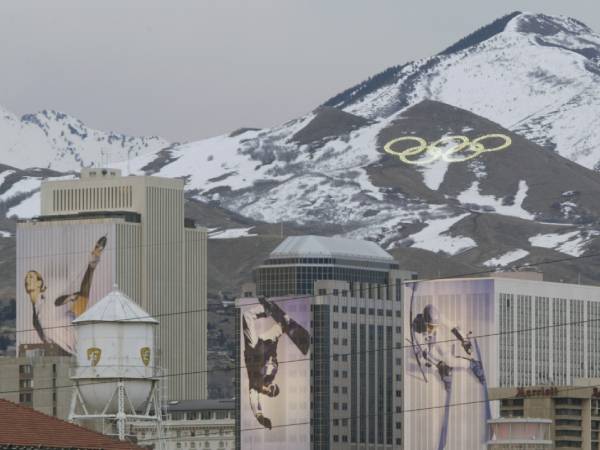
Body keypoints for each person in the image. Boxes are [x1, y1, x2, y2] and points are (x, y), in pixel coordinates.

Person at [242, 301, 289, 430]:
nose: (265, 391)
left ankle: (280, 323)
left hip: (252, 349)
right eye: (268, 390)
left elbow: (254, 404)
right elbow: (273, 357)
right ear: (270, 385)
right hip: (263, 346)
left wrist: (261, 419)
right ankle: (279, 322)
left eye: (267, 394)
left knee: (246, 316)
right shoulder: (271, 373)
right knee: (273, 336)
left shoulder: (255, 388)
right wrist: (275, 341)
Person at [54, 236, 107, 318]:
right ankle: (95, 257)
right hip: (76, 314)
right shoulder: (80, 300)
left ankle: (95, 257)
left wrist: (71, 297)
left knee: (89, 274)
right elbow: (57, 303)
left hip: (76, 312)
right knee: (89, 275)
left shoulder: (78, 300)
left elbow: (57, 303)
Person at [24, 270, 48, 344]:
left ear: (39, 283)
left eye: (31, 277)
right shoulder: (35, 306)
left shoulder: (44, 306)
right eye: (26, 278)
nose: (27, 280)